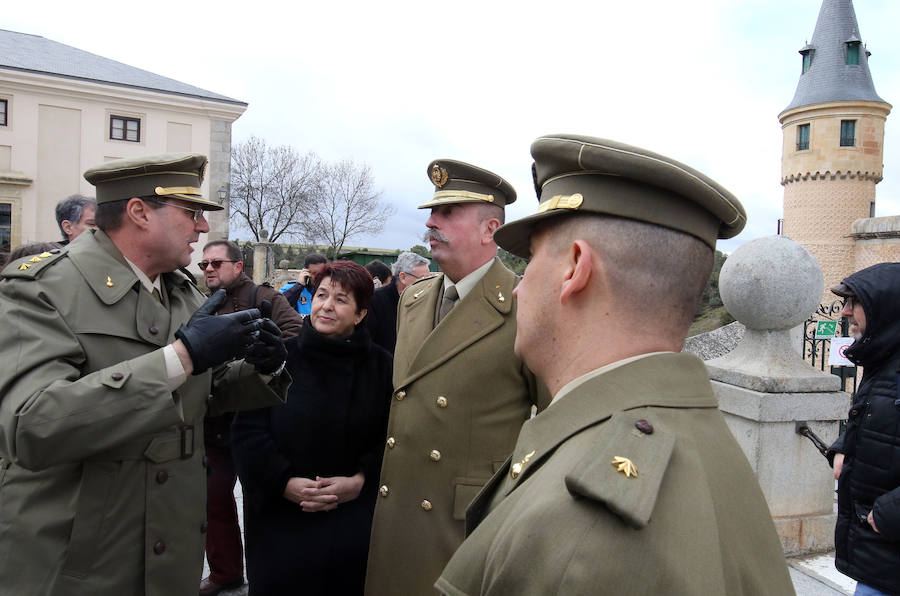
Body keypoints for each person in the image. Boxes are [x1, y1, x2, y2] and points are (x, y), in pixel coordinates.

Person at [436, 135, 794, 595]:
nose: (520, 289)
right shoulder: (700, 440)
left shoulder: (577, 528)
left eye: (532, 263)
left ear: (574, 269)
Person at [0, 153, 289, 596]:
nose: (203, 227)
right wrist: (183, 356)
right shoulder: (41, 289)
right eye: (191, 213)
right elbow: (30, 426)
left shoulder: (180, 292)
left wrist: (264, 368)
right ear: (138, 212)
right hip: (78, 564)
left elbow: (200, 394)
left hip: (170, 555)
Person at [365, 159, 547, 596]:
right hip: (397, 510)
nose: (430, 221)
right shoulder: (415, 300)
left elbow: (556, 420)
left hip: (465, 525)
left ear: (490, 229)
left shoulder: (527, 308)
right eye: (432, 212)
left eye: (448, 212)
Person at [232, 260, 392, 595]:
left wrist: (362, 479)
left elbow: (391, 436)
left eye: (341, 299)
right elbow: (247, 431)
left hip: (350, 523)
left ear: (361, 313)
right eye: (321, 295)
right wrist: (282, 481)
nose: (327, 306)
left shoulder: (382, 367)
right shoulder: (279, 358)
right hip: (282, 522)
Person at [198, 240, 302, 596]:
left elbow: (294, 334)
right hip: (213, 421)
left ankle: (269, 573)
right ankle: (225, 571)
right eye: (204, 264)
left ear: (237, 266)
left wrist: (259, 353)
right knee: (213, 499)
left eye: (216, 263)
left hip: (255, 420)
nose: (208, 269)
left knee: (262, 501)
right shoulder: (196, 301)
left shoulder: (263, 296)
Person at [827, 262, 900, 596]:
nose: (845, 312)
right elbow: (881, 419)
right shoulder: (884, 359)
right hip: (880, 555)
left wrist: (890, 513)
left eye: (854, 302)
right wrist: (845, 444)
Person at [365, 251, 430, 353]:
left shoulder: (427, 302)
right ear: (403, 277)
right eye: (422, 279)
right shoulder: (375, 301)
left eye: (430, 279)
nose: (428, 285)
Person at [281, 253, 327, 317]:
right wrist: (299, 286)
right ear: (306, 272)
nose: (318, 277)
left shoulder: (329, 291)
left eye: (321, 273)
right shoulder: (291, 288)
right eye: (314, 273)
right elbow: (278, 305)